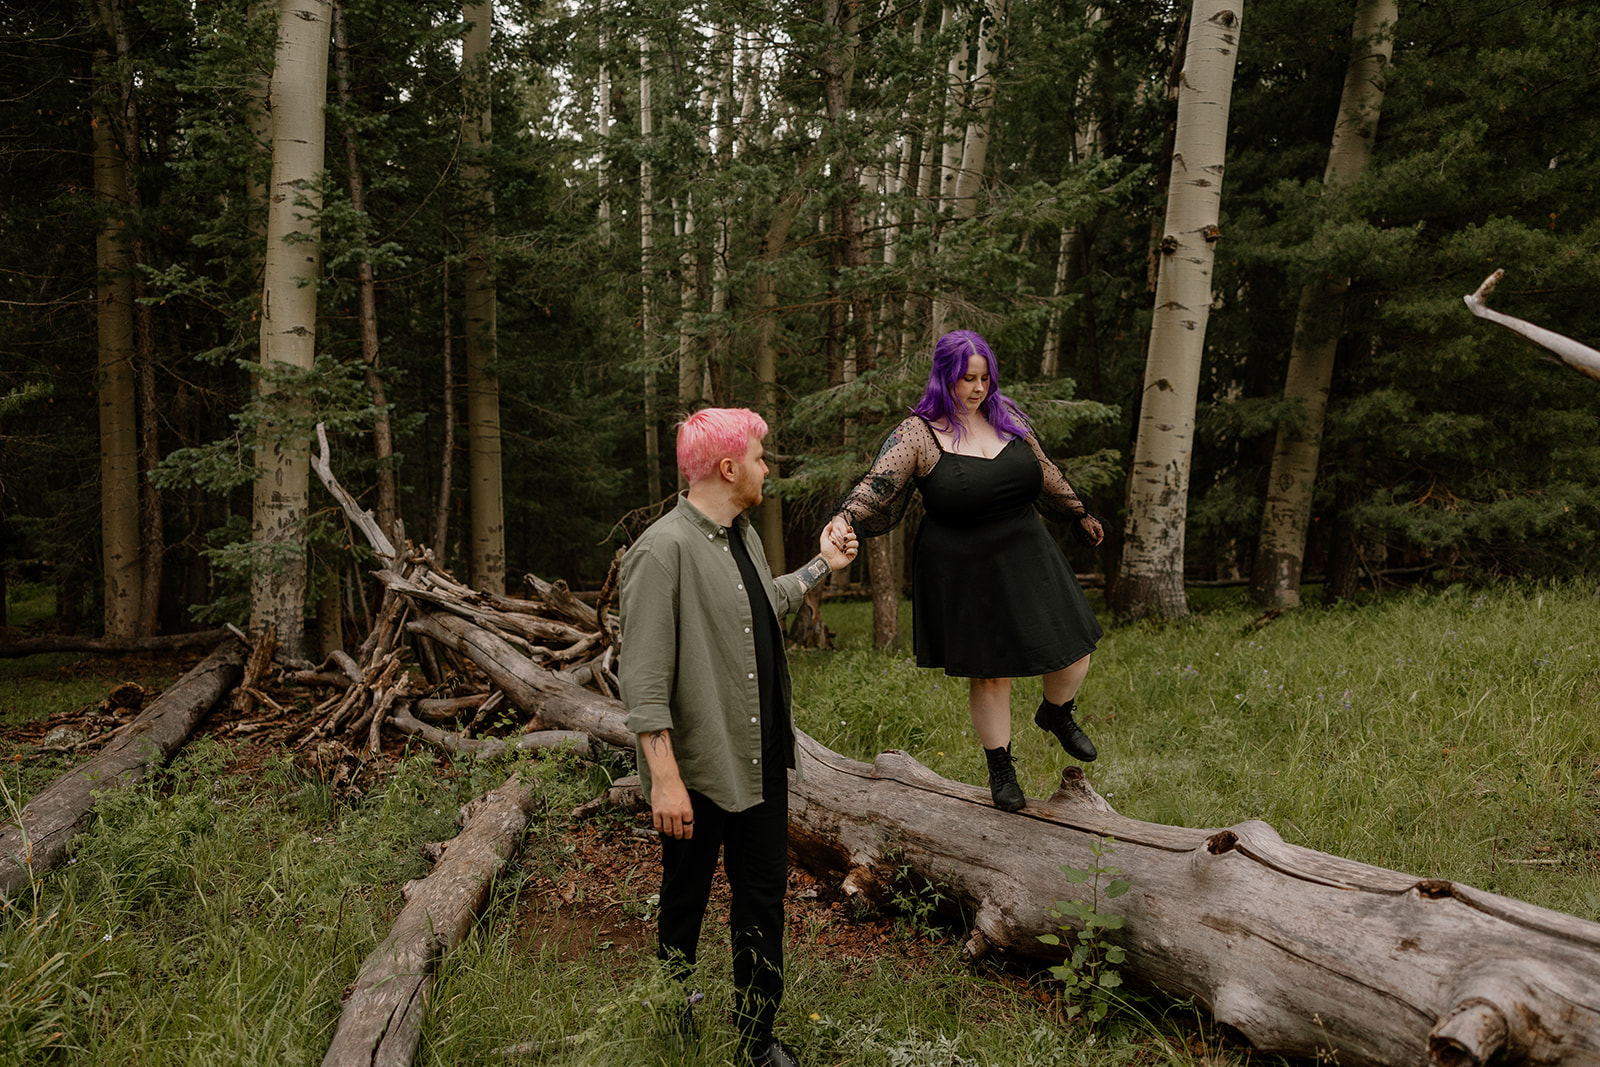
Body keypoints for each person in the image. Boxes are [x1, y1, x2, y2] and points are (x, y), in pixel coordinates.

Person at [619, 408, 859, 1067]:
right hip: (697, 771)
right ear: (728, 468)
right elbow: (640, 678)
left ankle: (756, 1040)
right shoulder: (662, 550)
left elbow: (766, 601)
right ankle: (675, 1021)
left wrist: (822, 565)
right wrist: (664, 777)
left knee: (762, 899)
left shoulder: (743, 537)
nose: (766, 468)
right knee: (685, 903)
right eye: (759, 456)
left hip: (760, 760)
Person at [824, 329, 1104, 813]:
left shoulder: (1007, 417)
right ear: (945, 378)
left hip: (1028, 550)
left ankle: (1057, 712)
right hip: (965, 563)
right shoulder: (919, 432)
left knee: (1074, 650)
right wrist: (844, 516)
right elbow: (879, 484)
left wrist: (1078, 511)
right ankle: (1001, 766)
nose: (978, 389)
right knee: (991, 674)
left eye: (985, 378)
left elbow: (1044, 468)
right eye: (967, 379)